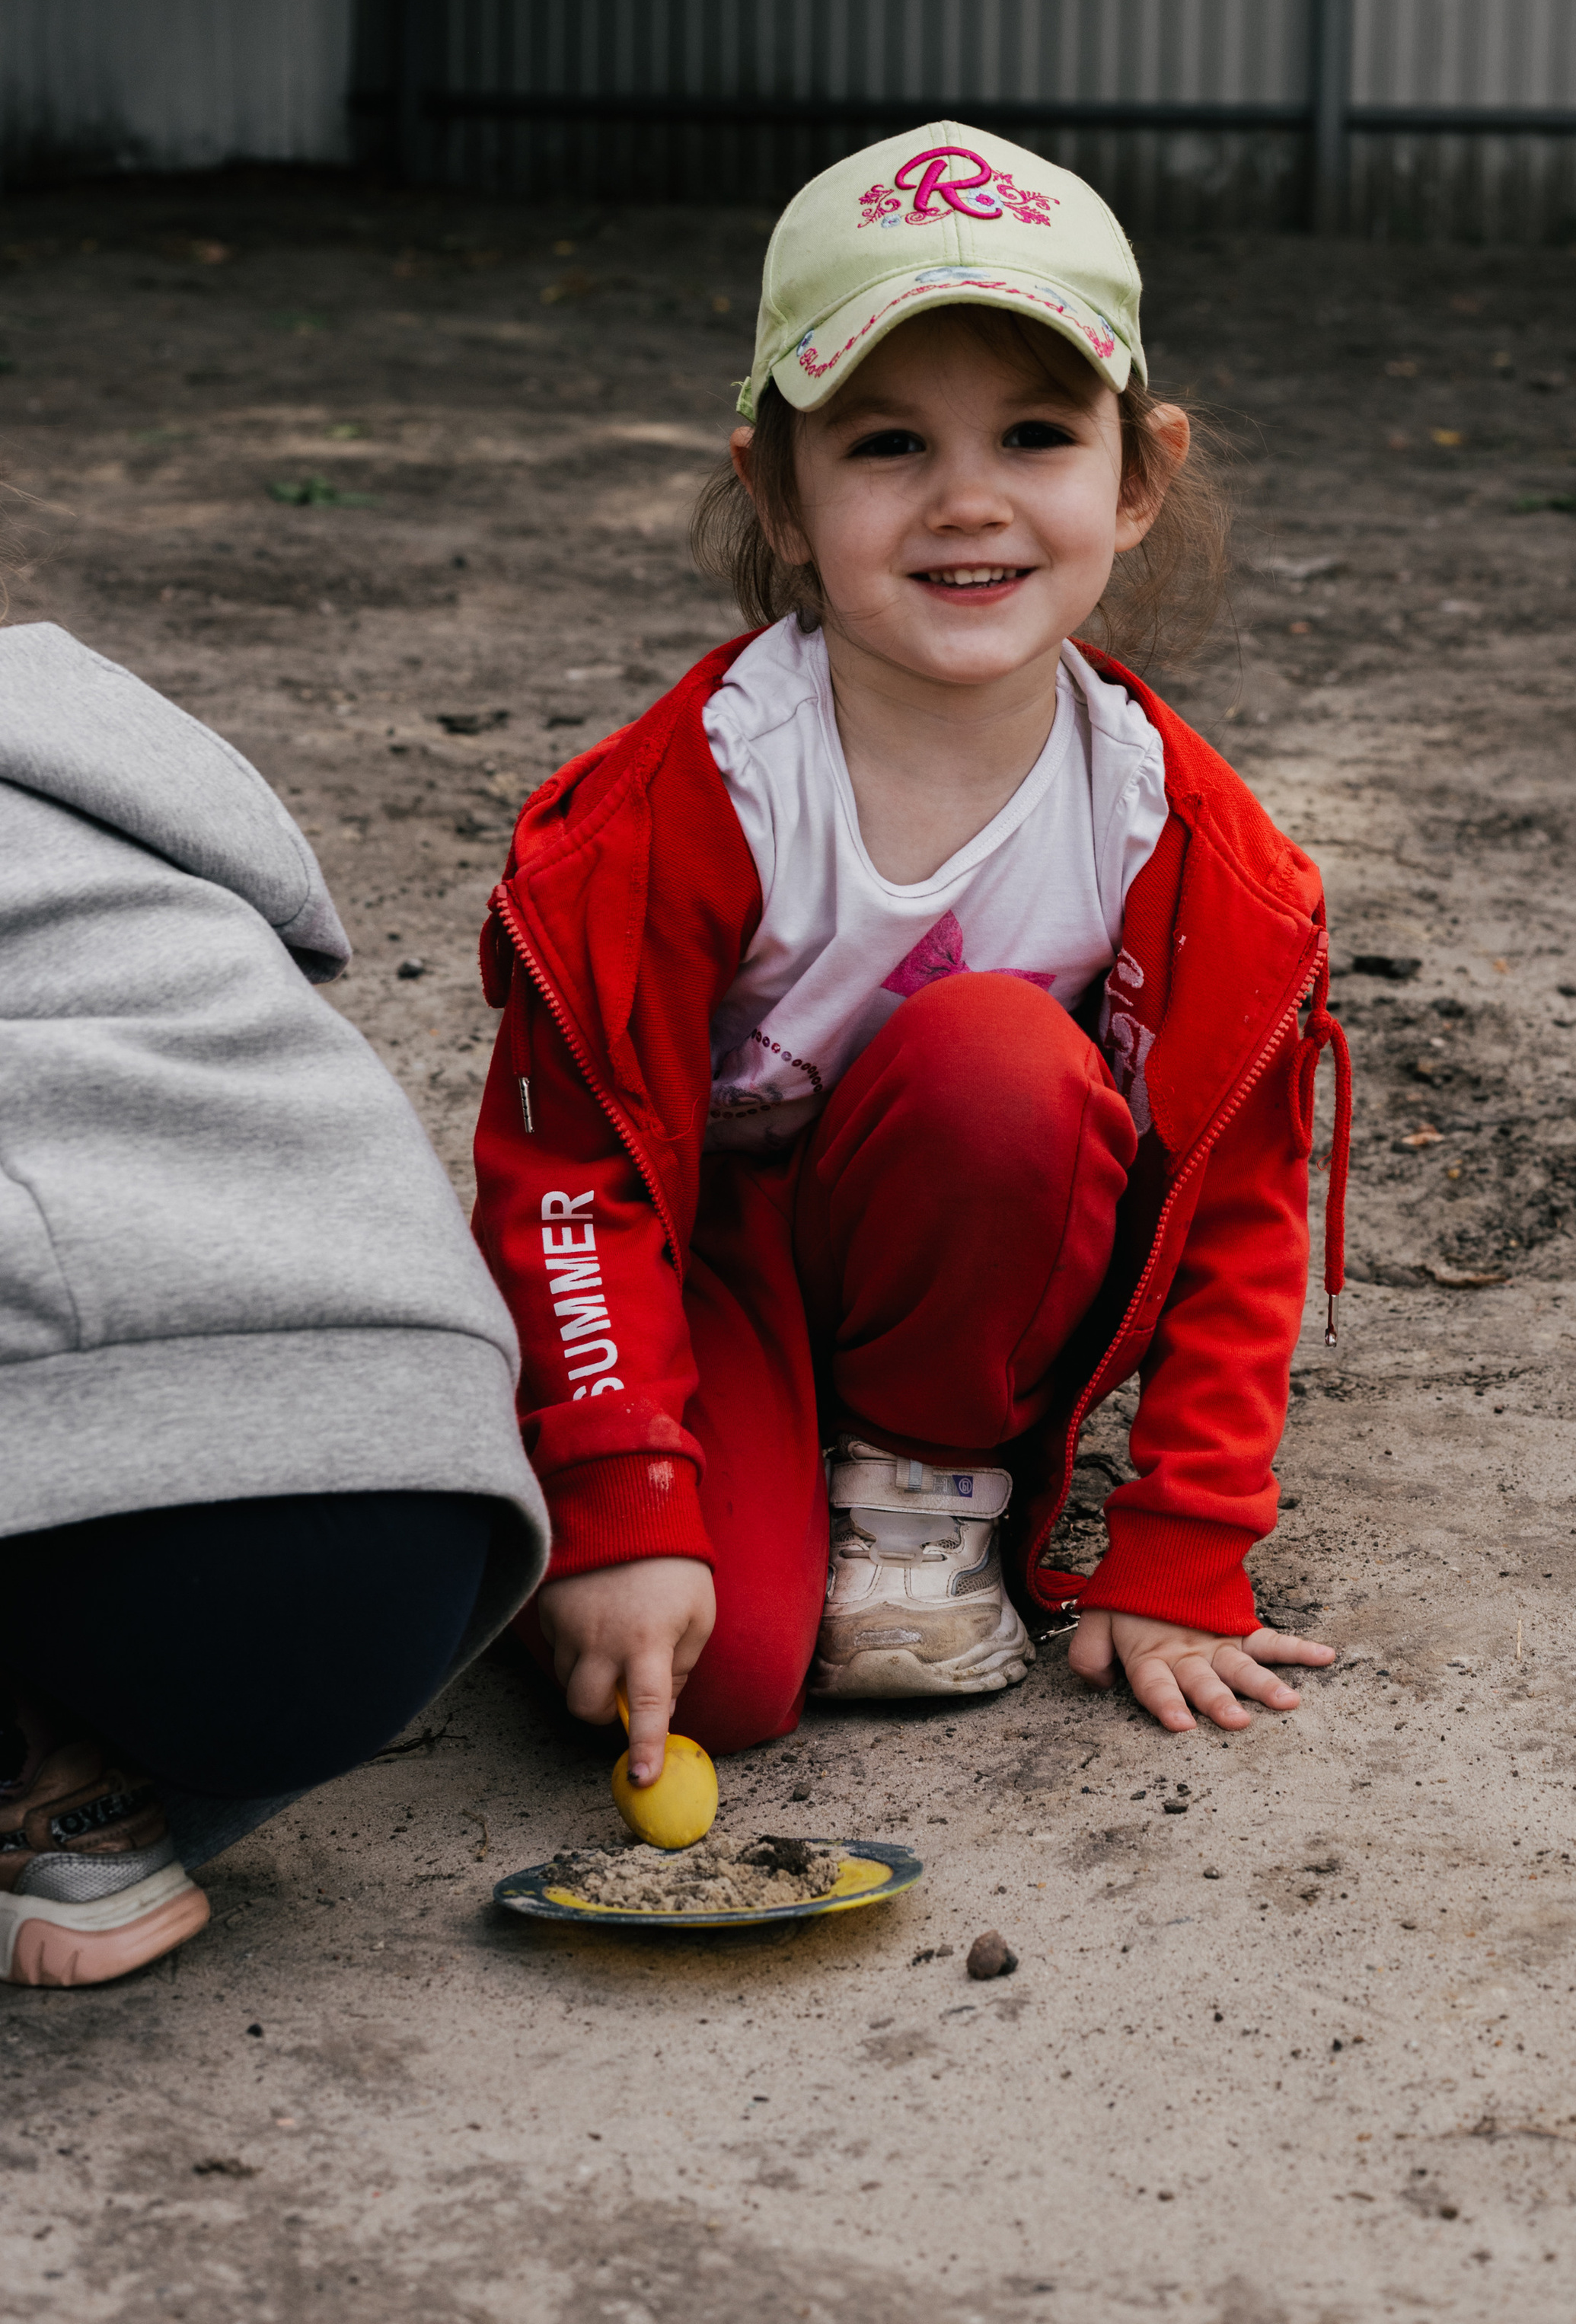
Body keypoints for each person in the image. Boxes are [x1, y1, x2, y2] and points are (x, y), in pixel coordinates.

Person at [472, 122, 1349, 1800]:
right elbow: (572, 1181)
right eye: (886, 443)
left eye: (1034, 434)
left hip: (974, 1290)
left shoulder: (1174, 830)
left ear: (1137, 475)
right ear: (778, 494)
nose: (966, 499)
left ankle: (924, 1484)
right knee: (705, 1681)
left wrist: (1177, 1538)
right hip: (711, 1277)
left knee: (996, 1055)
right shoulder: (695, 800)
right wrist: (615, 1499)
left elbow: (1238, 1202)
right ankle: (697, 1483)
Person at [0, 626, 547, 1985]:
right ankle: (84, 1816)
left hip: (103, 1485)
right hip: (418, 1503)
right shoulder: (81, 732)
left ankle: (41, 1785)